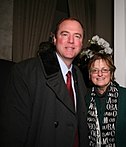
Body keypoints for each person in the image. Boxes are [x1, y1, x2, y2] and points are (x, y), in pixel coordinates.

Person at [0, 17, 89, 147]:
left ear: (81, 43)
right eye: (65, 34)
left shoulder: (79, 75)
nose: (71, 41)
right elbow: (12, 132)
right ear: (54, 39)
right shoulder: (25, 72)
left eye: (77, 36)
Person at [85, 46, 126, 146]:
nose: (100, 74)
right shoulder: (85, 98)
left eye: (104, 70)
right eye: (95, 70)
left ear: (111, 73)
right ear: (90, 74)